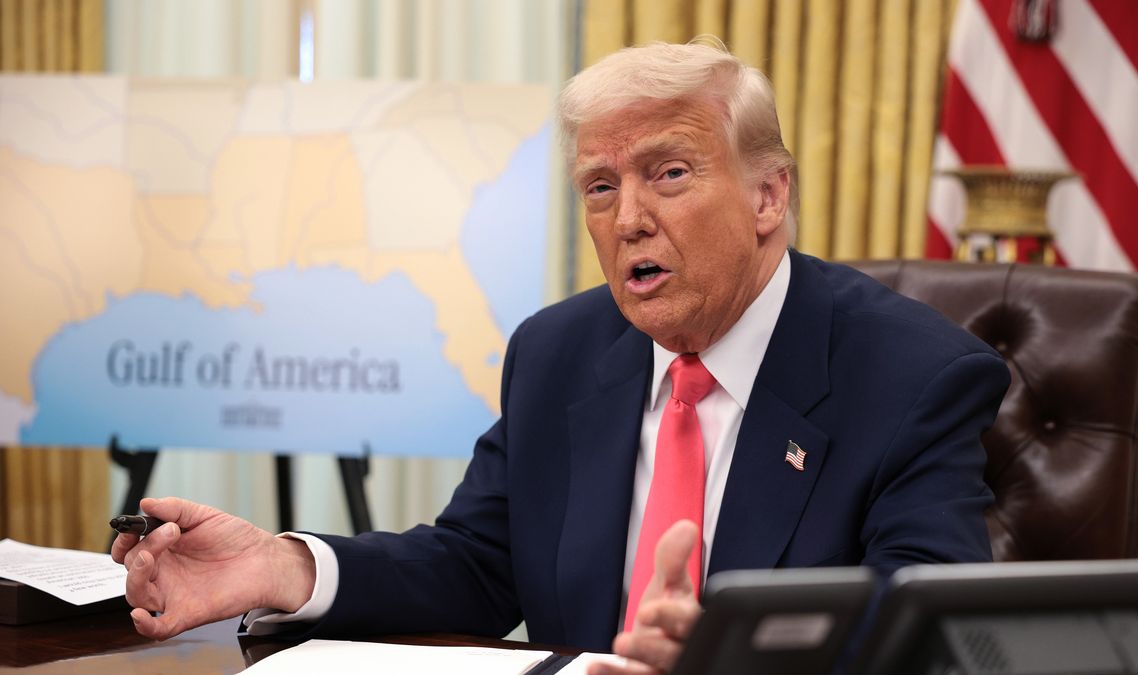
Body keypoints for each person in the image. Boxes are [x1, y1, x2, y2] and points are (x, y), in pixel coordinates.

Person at [112, 40, 1009, 674]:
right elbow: (475, 564)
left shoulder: (911, 376)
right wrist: (286, 568)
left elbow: (934, 626)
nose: (628, 219)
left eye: (669, 173)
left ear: (769, 196)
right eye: (600, 186)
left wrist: (729, 654)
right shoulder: (560, 351)